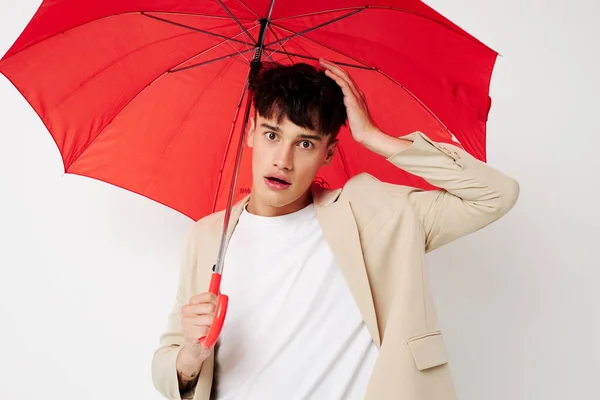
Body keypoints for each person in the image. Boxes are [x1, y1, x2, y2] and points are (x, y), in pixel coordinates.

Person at [151, 59, 519, 400]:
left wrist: (375, 137)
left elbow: (494, 196)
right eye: (272, 135)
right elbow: (168, 366)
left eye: (305, 143)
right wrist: (191, 356)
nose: (283, 160)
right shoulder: (209, 236)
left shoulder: (371, 213)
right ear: (250, 133)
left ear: (328, 153)